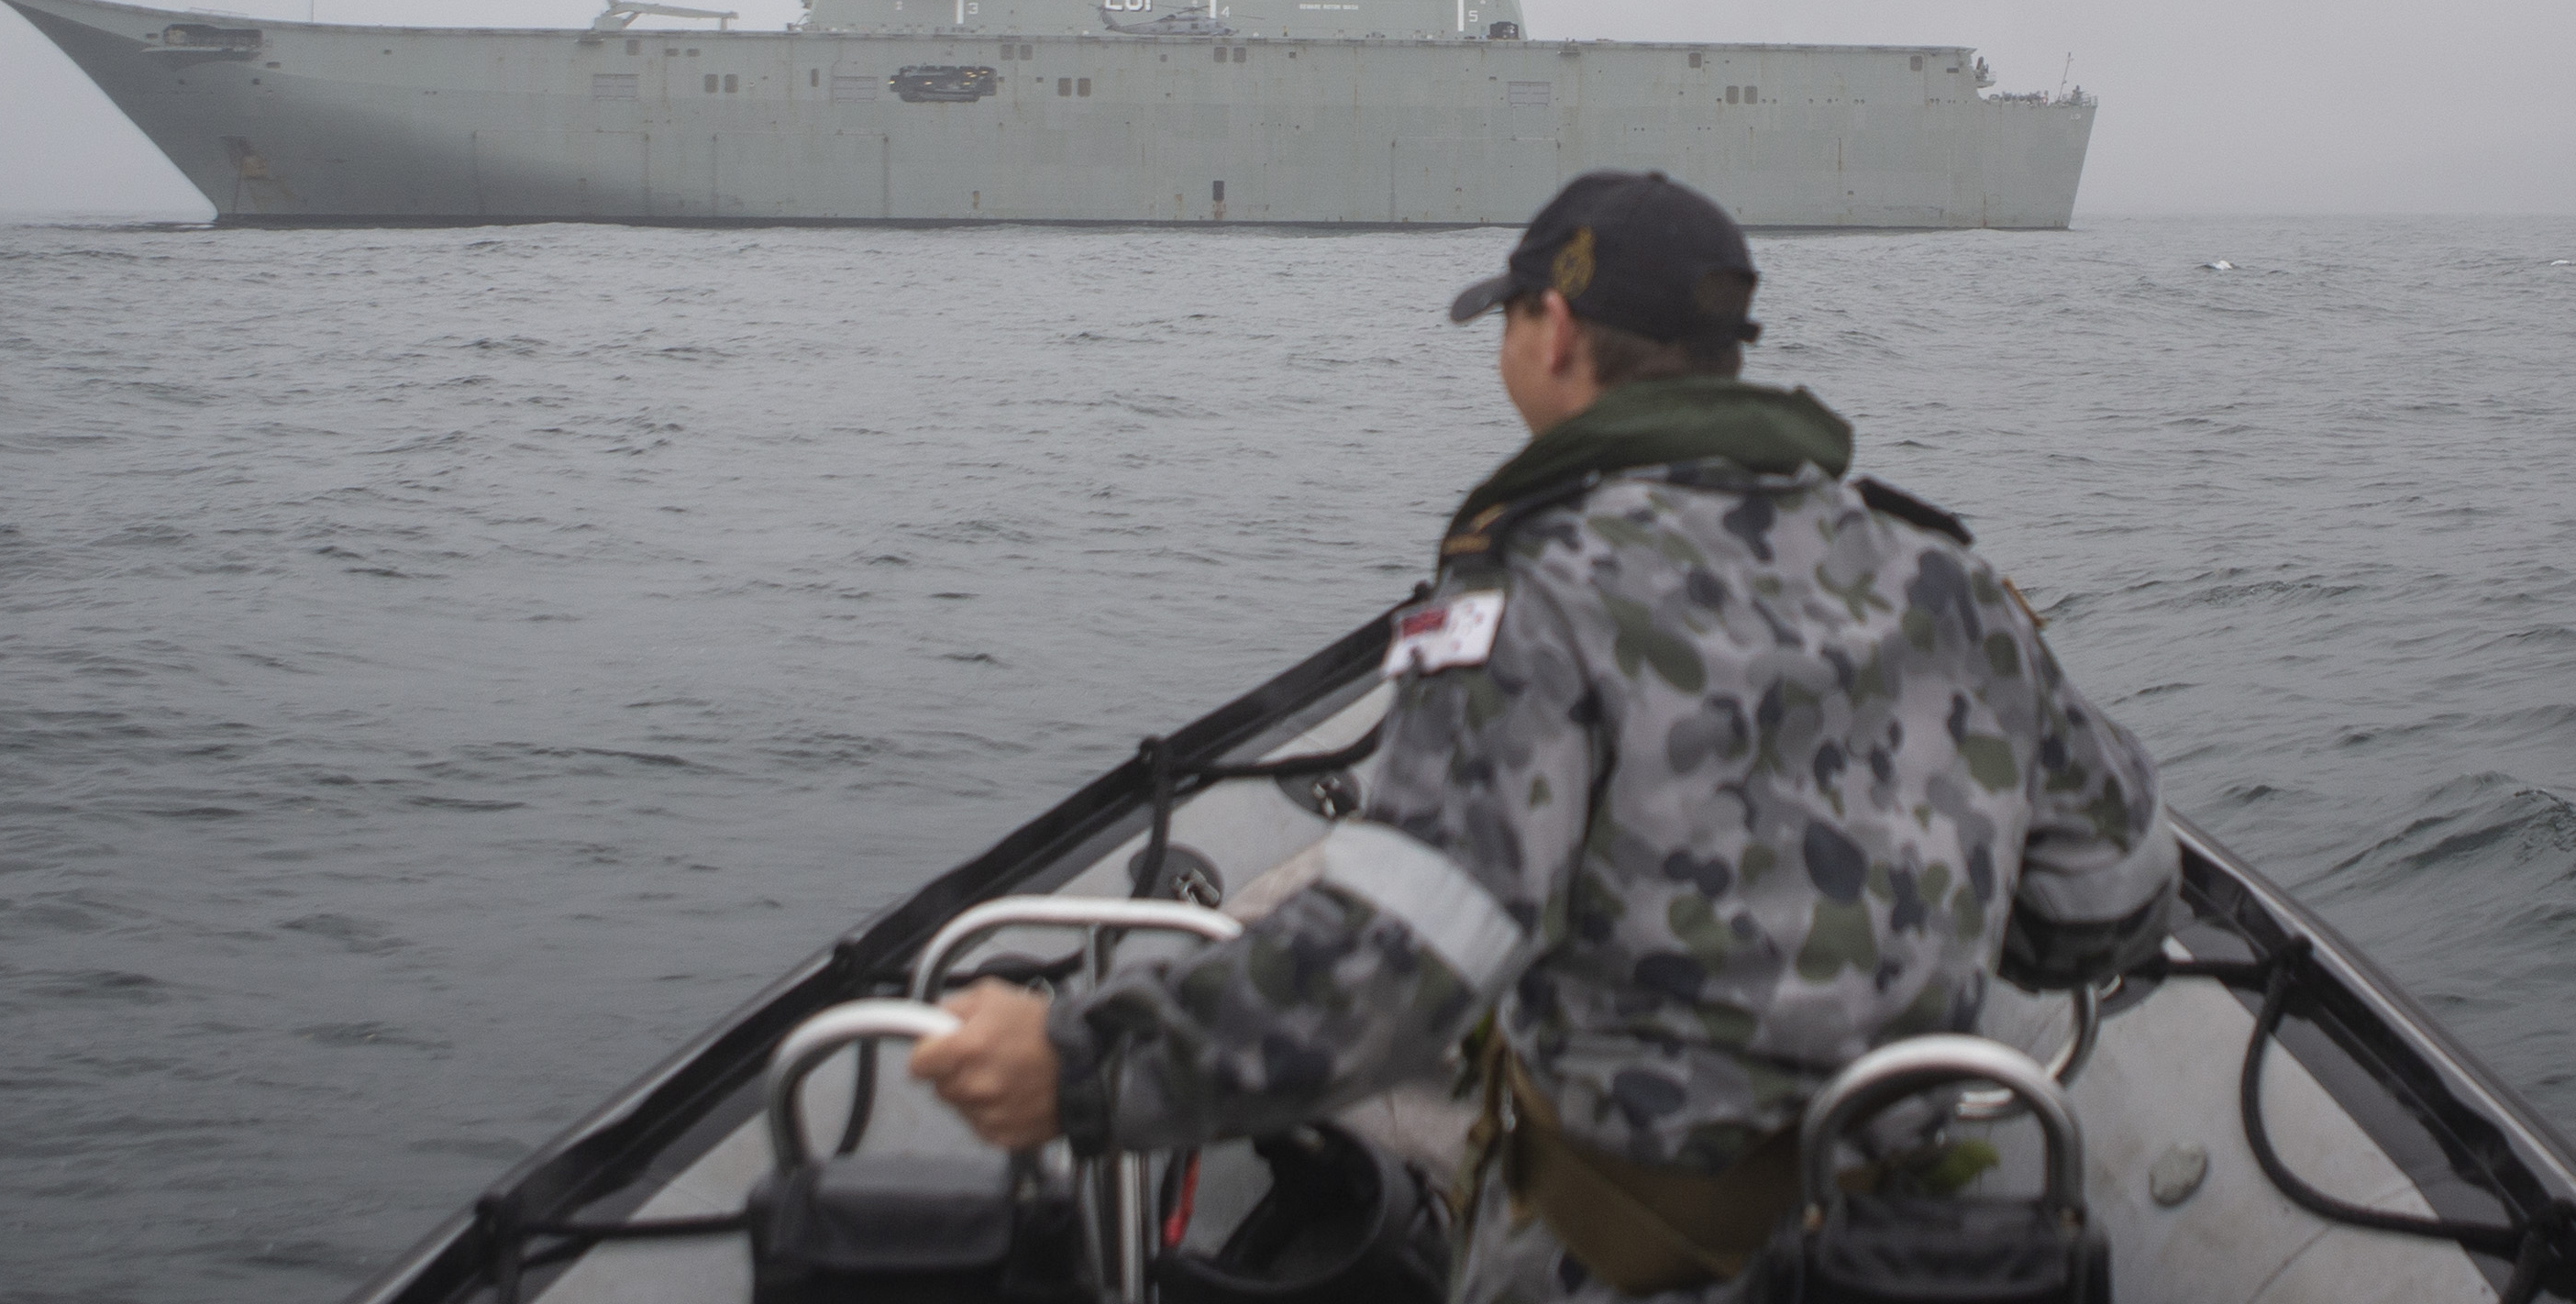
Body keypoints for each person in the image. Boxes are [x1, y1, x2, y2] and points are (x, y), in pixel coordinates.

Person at [912, 169, 2178, 1302]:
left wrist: (1078, 1065)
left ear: (1552, 331)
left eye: (1509, 321)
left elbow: (1394, 975)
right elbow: (2112, 900)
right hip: (1906, 1255)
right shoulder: (1948, 580)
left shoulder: (1532, 600)